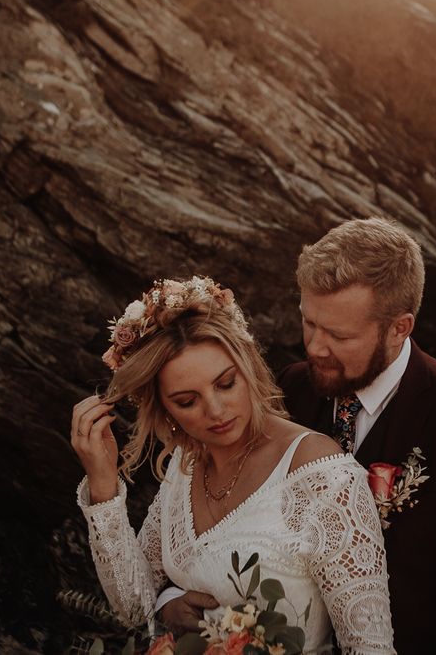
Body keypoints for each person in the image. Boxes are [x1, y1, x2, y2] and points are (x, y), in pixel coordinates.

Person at [70, 276, 394, 654]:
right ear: (165, 410)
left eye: (225, 383)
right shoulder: (184, 465)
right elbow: (133, 606)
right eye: (187, 401)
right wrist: (103, 486)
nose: (216, 411)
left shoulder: (325, 479)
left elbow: (370, 648)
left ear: (248, 367)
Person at [278, 218, 436, 654]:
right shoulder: (293, 388)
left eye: (339, 335)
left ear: (400, 327)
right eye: (309, 322)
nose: (315, 347)